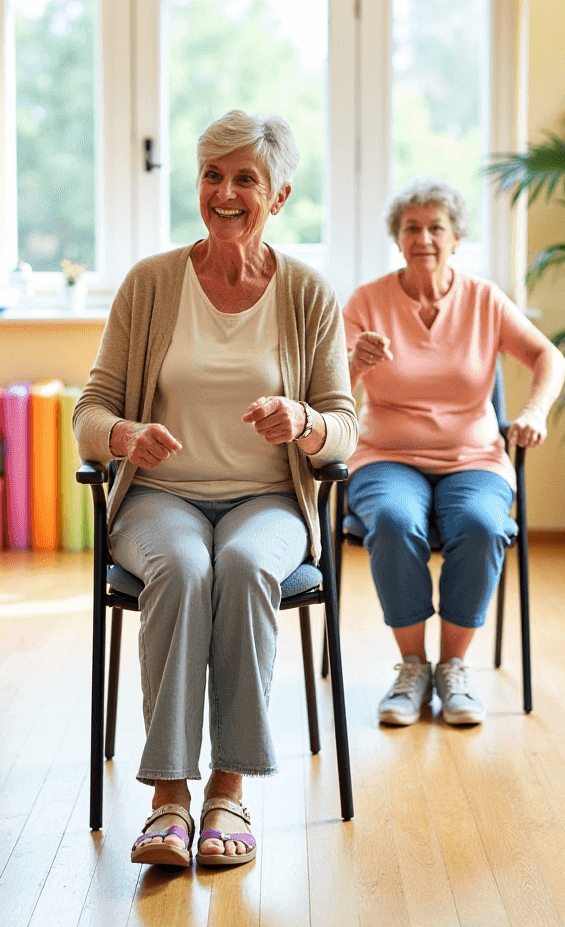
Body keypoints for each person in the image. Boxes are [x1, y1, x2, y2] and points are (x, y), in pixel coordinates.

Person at [74, 110, 357, 869]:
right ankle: (168, 797)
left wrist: (301, 419)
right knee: (186, 567)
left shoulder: (306, 292)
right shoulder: (152, 283)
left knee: (240, 564)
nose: (225, 192)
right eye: (212, 175)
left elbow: (344, 425)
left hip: (268, 501)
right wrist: (126, 437)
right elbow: (90, 411)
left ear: (281, 194)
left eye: (245, 179)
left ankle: (228, 791)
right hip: (159, 499)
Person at [343, 176, 565, 727]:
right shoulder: (367, 301)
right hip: (386, 455)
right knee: (394, 521)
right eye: (411, 228)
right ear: (397, 237)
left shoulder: (484, 300)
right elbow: (324, 391)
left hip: (475, 458)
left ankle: (454, 669)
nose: (423, 238)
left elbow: (548, 358)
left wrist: (534, 413)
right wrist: (356, 364)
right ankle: (413, 667)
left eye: (435, 227)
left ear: (456, 237)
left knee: (483, 525)